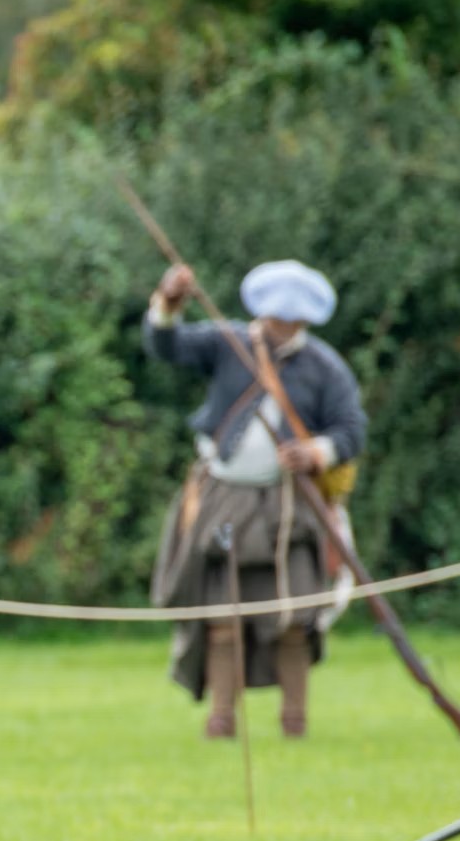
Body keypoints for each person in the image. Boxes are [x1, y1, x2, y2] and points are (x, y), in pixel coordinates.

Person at [145, 259, 367, 738]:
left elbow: (350, 431)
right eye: (273, 315)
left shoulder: (325, 367)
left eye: (288, 317)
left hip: (287, 512)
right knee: (223, 613)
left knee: (293, 617)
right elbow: (165, 345)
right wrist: (169, 304)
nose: (278, 324)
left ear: (304, 319)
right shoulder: (227, 343)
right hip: (224, 508)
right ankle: (222, 717)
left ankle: (295, 721)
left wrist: (315, 451)